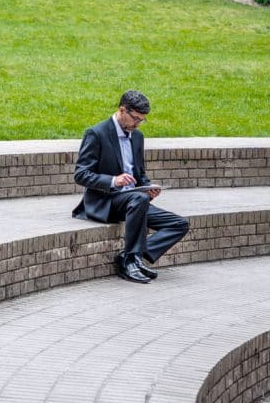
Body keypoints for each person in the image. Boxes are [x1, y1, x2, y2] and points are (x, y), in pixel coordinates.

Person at [72, 89, 189, 284]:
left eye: (142, 120)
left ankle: (132, 256)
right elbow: (81, 174)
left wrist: (147, 188)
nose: (137, 123)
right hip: (107, 201)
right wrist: (113, 180)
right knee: (138, 199)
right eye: (135, 118)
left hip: (135, 200)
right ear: (122, 110)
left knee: (179, 224)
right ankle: (130, 261)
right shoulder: (97, 133)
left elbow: (139, 174)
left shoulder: (137, 137)